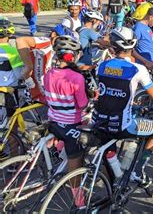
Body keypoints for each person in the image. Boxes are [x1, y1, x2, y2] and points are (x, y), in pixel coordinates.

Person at [93, 27, 153, 185]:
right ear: (132, 46)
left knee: (108, 150)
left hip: (100, 121)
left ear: (112, 46)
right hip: (122, 125)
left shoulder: (102, 66)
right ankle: (137, 172)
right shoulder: (138, 69)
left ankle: (110, 188)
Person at [43, 35, 87, 206]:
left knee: (62, 138)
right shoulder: (77, 78)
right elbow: (82, 105)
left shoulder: (48, 74)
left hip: (54, 122)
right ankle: (80, 202)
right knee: (75, 166)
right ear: (72, 56)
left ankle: (58, 152)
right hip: (71, 125)